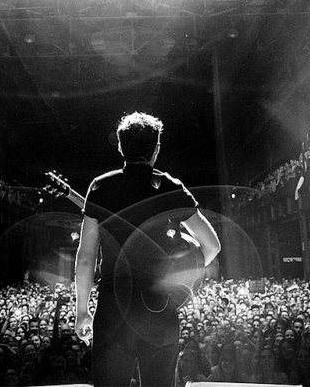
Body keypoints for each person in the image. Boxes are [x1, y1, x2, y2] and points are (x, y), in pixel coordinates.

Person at [74, 111, 221, 387]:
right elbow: (212, 246)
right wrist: (183, 274)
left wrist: (83, 310)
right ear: (156, 149)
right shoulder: (171, 187)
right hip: (159, 310)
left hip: (113, 311)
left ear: (120, 146)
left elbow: (85, 258)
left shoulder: (101, 185)